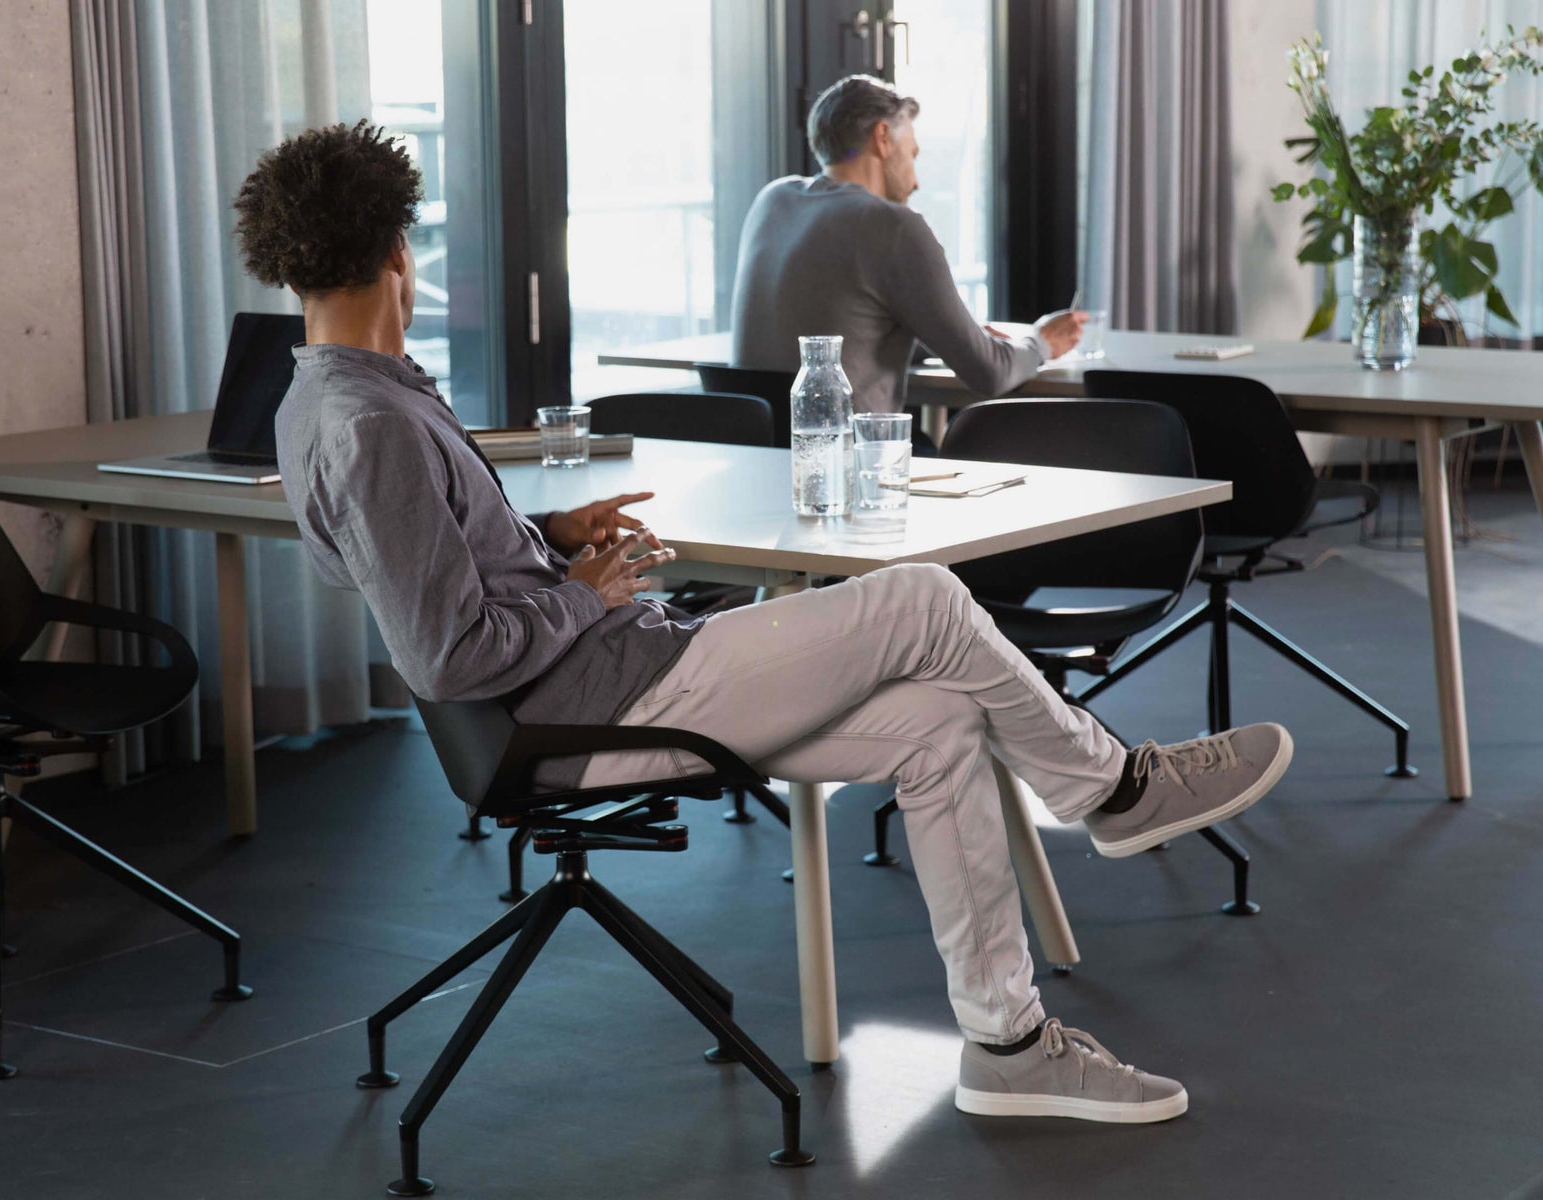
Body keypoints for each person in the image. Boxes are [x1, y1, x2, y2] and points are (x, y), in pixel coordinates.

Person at [245, 121, 1293, 1125]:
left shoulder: (337, 398)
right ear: (398, 249)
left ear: (295, 268)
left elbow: (422, 564)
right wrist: (586, 593)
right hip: (588, 709)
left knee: (937, 724)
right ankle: (1110, 788)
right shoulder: (371, 421)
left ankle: (1008, 1048)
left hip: (603, 676)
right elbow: (447, 650)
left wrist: (551, 535)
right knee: (922, 597)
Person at [731, 74, 1082, 420]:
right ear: (883, 137)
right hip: (852, 462)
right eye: (912, 154)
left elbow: (845, 328)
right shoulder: (892, 225)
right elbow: (990, 374)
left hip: (758, 453)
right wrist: (1041, 343)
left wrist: (947, 334)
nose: (915, 181)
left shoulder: (773, 200)